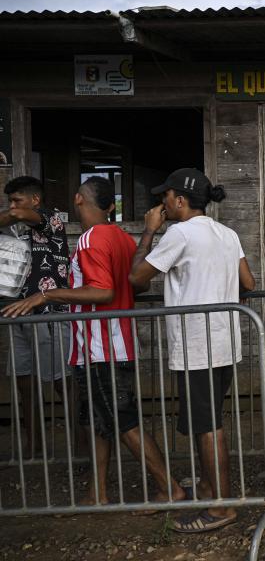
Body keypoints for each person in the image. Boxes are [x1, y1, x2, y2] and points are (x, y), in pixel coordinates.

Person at [3, 177, 185, 506]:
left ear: (77, 199)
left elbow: (104, 291)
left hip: (101, 345)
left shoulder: (90, 239)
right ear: (111, 206)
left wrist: (47, 295)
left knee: (122, 419)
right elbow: (135, 285)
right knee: (98, 420)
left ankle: (169, 486)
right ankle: (96, 493)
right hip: (108, 343)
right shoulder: (122, 238)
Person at [129, 168, 256, 533]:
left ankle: (222, 507)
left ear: (180, 200)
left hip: (197, 344)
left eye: (165, 197)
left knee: (208, 426)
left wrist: (150, 230)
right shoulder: (226, 233)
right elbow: (248, 282)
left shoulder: (179, 233)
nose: (161, 204)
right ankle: (207, 487)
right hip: (225, 340)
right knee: (209, 419)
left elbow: (136, 279)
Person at [0, 175, 70, 457]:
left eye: (17, 200)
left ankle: (82, 449)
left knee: (62, 384)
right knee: (24, 383)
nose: (12, 206)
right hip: (16, 311)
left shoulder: (51, 220)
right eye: (10, 200)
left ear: (35, 200)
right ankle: (35, 449)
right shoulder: (13, 231)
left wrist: (11, 213)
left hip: (48, 313)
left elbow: (16, 214)